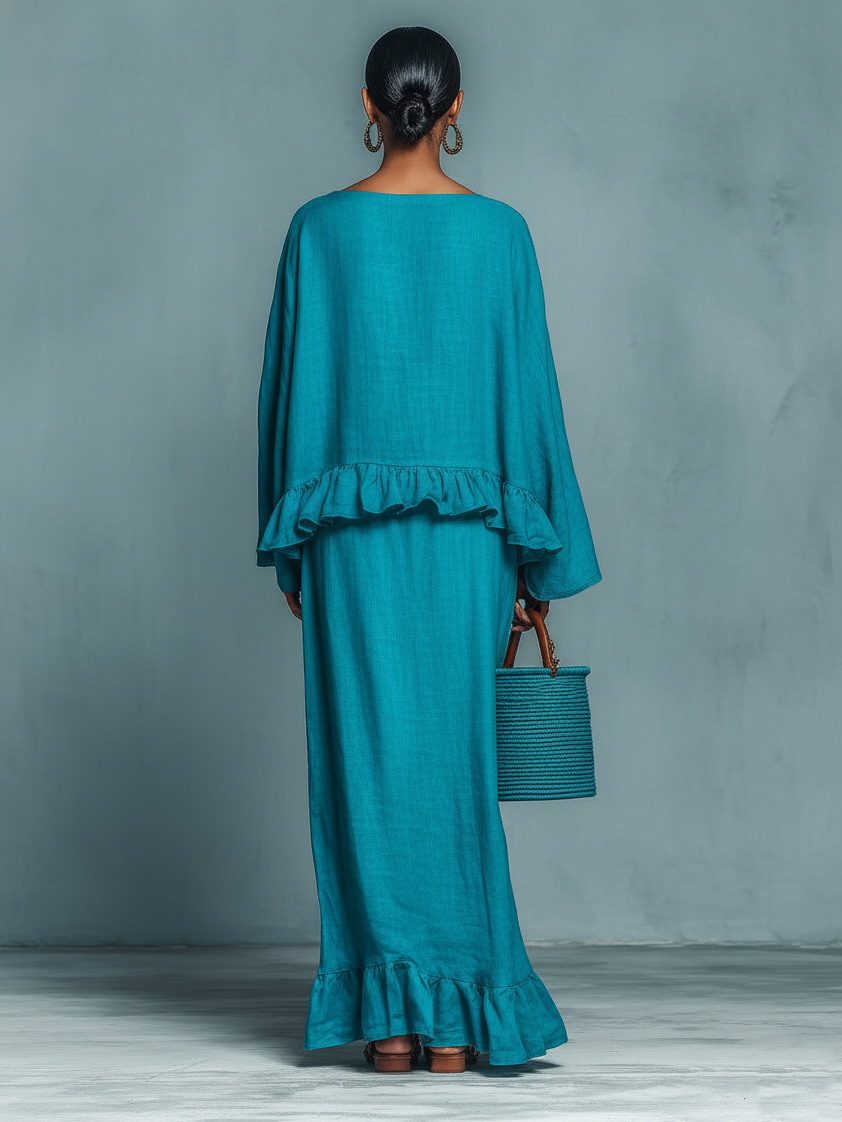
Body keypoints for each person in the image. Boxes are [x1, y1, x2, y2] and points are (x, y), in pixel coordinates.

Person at [256, 25, 601, 1073]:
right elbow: (529, 404)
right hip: (464, 549)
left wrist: (291, 546)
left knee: (360, 771)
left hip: (351, 544)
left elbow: (287, 399)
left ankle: (391, 1023)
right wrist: (539, 565)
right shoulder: (501, 235)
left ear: (372, 104)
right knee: (452, 770)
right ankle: (458, 1021)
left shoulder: (317, 231)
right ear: (455, 110)